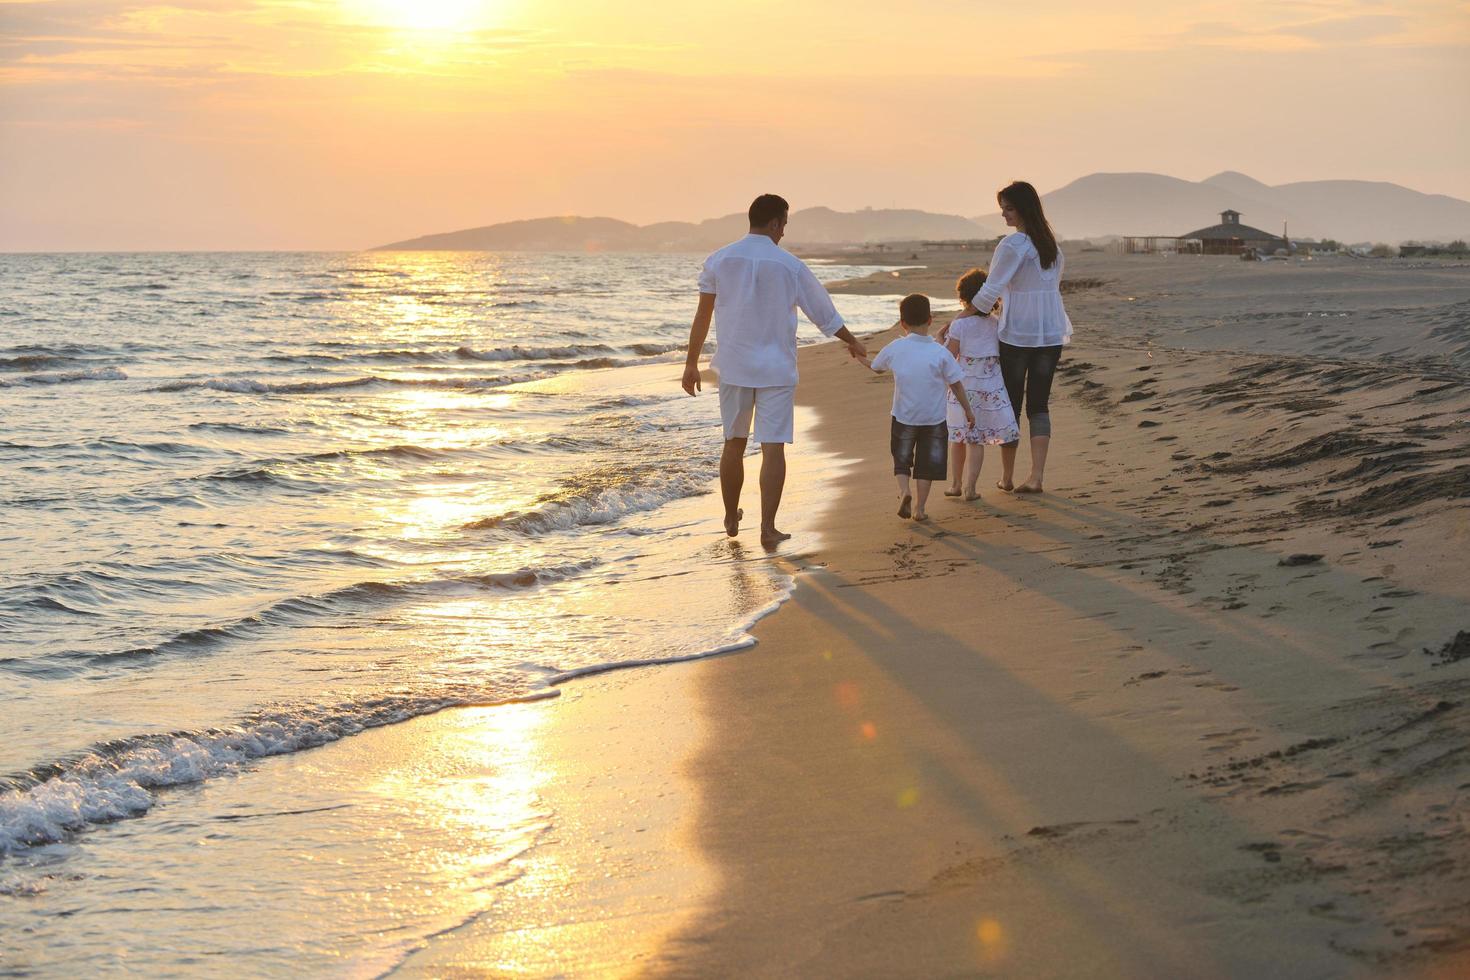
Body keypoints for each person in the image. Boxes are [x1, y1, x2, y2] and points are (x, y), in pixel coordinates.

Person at [682, 194, 868, 546]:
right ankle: (768, 528)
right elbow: (822, 313)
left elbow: (703, 316)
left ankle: (730, 516)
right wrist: (852, 340)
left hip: (734, 367)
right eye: (783, 224)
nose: (783, 232)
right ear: (773, 223)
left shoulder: (718, 260)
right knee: (772, 448)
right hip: (776, 369)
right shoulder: (790, 265)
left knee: (733, 443)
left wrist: (691, 363)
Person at [969, 180, 1073, 494]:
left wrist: (959, 321)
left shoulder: (1012, 245)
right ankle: (1036, 477)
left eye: (1009, 209)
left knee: (1011, 404)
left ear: (1024, 209)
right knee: (1039, 404)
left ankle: (1008, 477)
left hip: (1017, 334)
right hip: (1050, 332)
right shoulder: (1052, 247)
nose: (1004, 215)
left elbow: (991, 290)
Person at [860, 294, 974, 522]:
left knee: (902, 460)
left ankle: (904, 492)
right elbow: (957, 385)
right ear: (930, 320)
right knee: (926, 466)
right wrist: (968, 411)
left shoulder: (896, 347)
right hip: (933, 419)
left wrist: (858, 357)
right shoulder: (940, 352)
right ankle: (920, 509)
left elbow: (876, 368)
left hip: (903, 417)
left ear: (902, 323)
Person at [943, 268, 1020, 500]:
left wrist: (941, 338)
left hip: (964, 385)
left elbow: (949, 356)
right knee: (977, 440)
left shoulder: (959, 325)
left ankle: (956, 485)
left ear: (964, 297)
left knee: (958, 437)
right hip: (990, 385)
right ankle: (971, 488)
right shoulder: (996, 323)